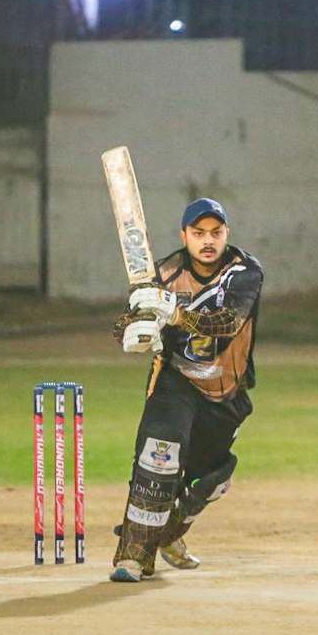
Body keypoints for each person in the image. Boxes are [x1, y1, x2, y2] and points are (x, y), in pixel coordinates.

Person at [109, 197, 263, 582]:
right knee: (157, 459)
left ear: (227, 233)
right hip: (175, 382)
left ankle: (170, 532)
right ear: (185, 236)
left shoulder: (244, 272)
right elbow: (123, 323)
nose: (208, 240)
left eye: (215, 232)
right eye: (199, 233)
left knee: (209, 481)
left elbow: (228, 322)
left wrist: (176, 314)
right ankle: (133, 558)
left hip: (226, 390)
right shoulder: (164, 273)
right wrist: (134, 329)